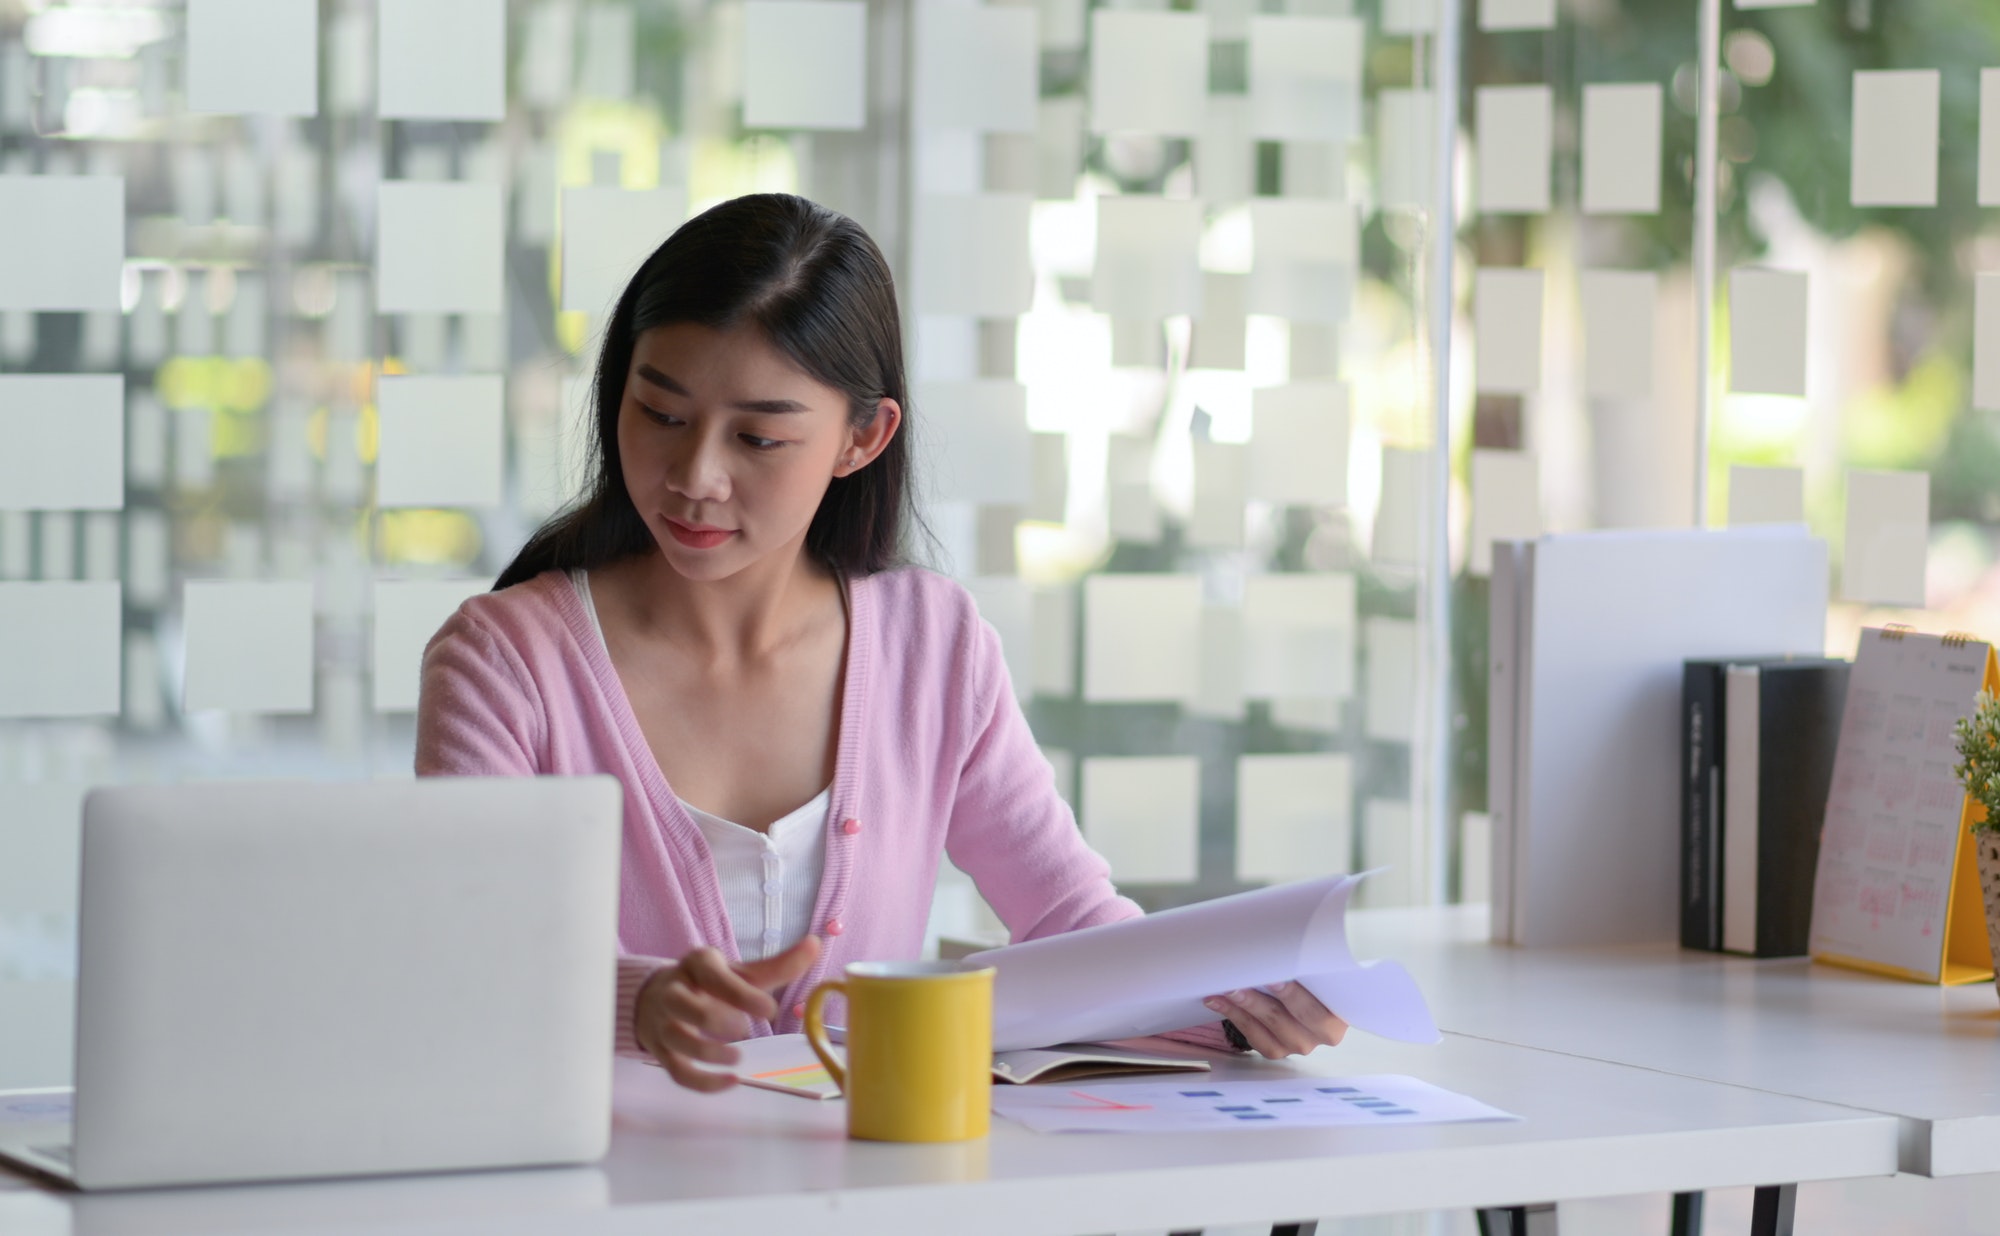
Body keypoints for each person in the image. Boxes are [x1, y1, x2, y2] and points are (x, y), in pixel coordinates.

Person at [416, 193, 1347, 1092]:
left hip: (869, 1182)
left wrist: (1241, 1003)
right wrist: (640, 1002)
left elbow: (1069, 925)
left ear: (862, 438)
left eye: (758, 438)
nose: (695, 475)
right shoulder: (504, 663)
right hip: (606, 1187)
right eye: (659, 414)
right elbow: (467, 956)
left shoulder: (932, 647)